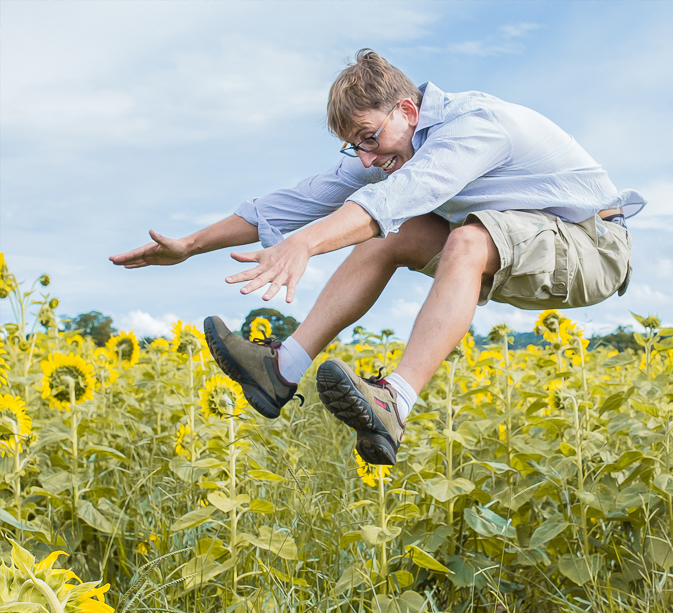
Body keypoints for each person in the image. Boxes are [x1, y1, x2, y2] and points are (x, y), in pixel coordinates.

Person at [111, 49, 643, 466]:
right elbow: (295, 202)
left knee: (464, 237)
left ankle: (395, 403)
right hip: (528, 239)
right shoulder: (390, 149)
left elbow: (392, 200)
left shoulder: (476, 126)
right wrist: (188, 246)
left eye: (369, 138)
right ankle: (281, 369)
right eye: (355, 147)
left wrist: (305, 245)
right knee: (391, 234)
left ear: (407, 111)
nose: (367, 158)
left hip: (592, 245)